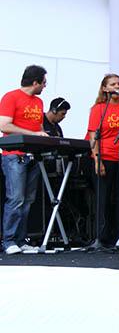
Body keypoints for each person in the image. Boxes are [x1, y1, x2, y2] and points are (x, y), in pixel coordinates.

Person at [0, 65, 48, 255]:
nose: (45, 86)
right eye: (43, 82)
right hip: (14, 155)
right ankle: (9, 240)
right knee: (16, 199)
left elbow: (39, 126)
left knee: (28, 200)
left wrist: (41, 136)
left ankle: (21, 240)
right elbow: (4, 125)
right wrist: (32, 134)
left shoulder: (39, 102)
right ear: (35, 82)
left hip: (32, 156)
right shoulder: (11, 97)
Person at [87, 74, 119, 246]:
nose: (117, 86)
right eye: (113, 84)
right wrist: (97, 160)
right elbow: (93, 135)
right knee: (103, 197)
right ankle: (102, 236)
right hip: (105, 157)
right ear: (105, 88)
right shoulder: (99, 109)